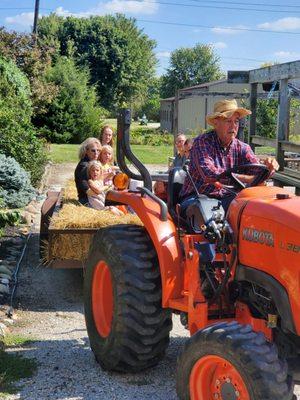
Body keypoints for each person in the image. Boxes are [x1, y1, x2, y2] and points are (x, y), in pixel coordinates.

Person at [180, 99, 279, 212]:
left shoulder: (242, 148)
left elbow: (257, 172)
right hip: (197, 197)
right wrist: (248, 179)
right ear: (216, 123)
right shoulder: (202, 142)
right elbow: (211, 176)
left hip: (228, 198)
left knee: (257, 209)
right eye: (228, 121)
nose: (233, 126)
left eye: (236, 121)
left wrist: (269, 168)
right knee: (210, 214)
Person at [75, 138, 102, 205]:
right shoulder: (84, 166)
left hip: (94, 198)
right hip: (87, 201)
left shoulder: (92, 163)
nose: (96, 153)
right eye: (93, 150)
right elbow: (87, 190)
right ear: (86, 151)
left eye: (98, 150)